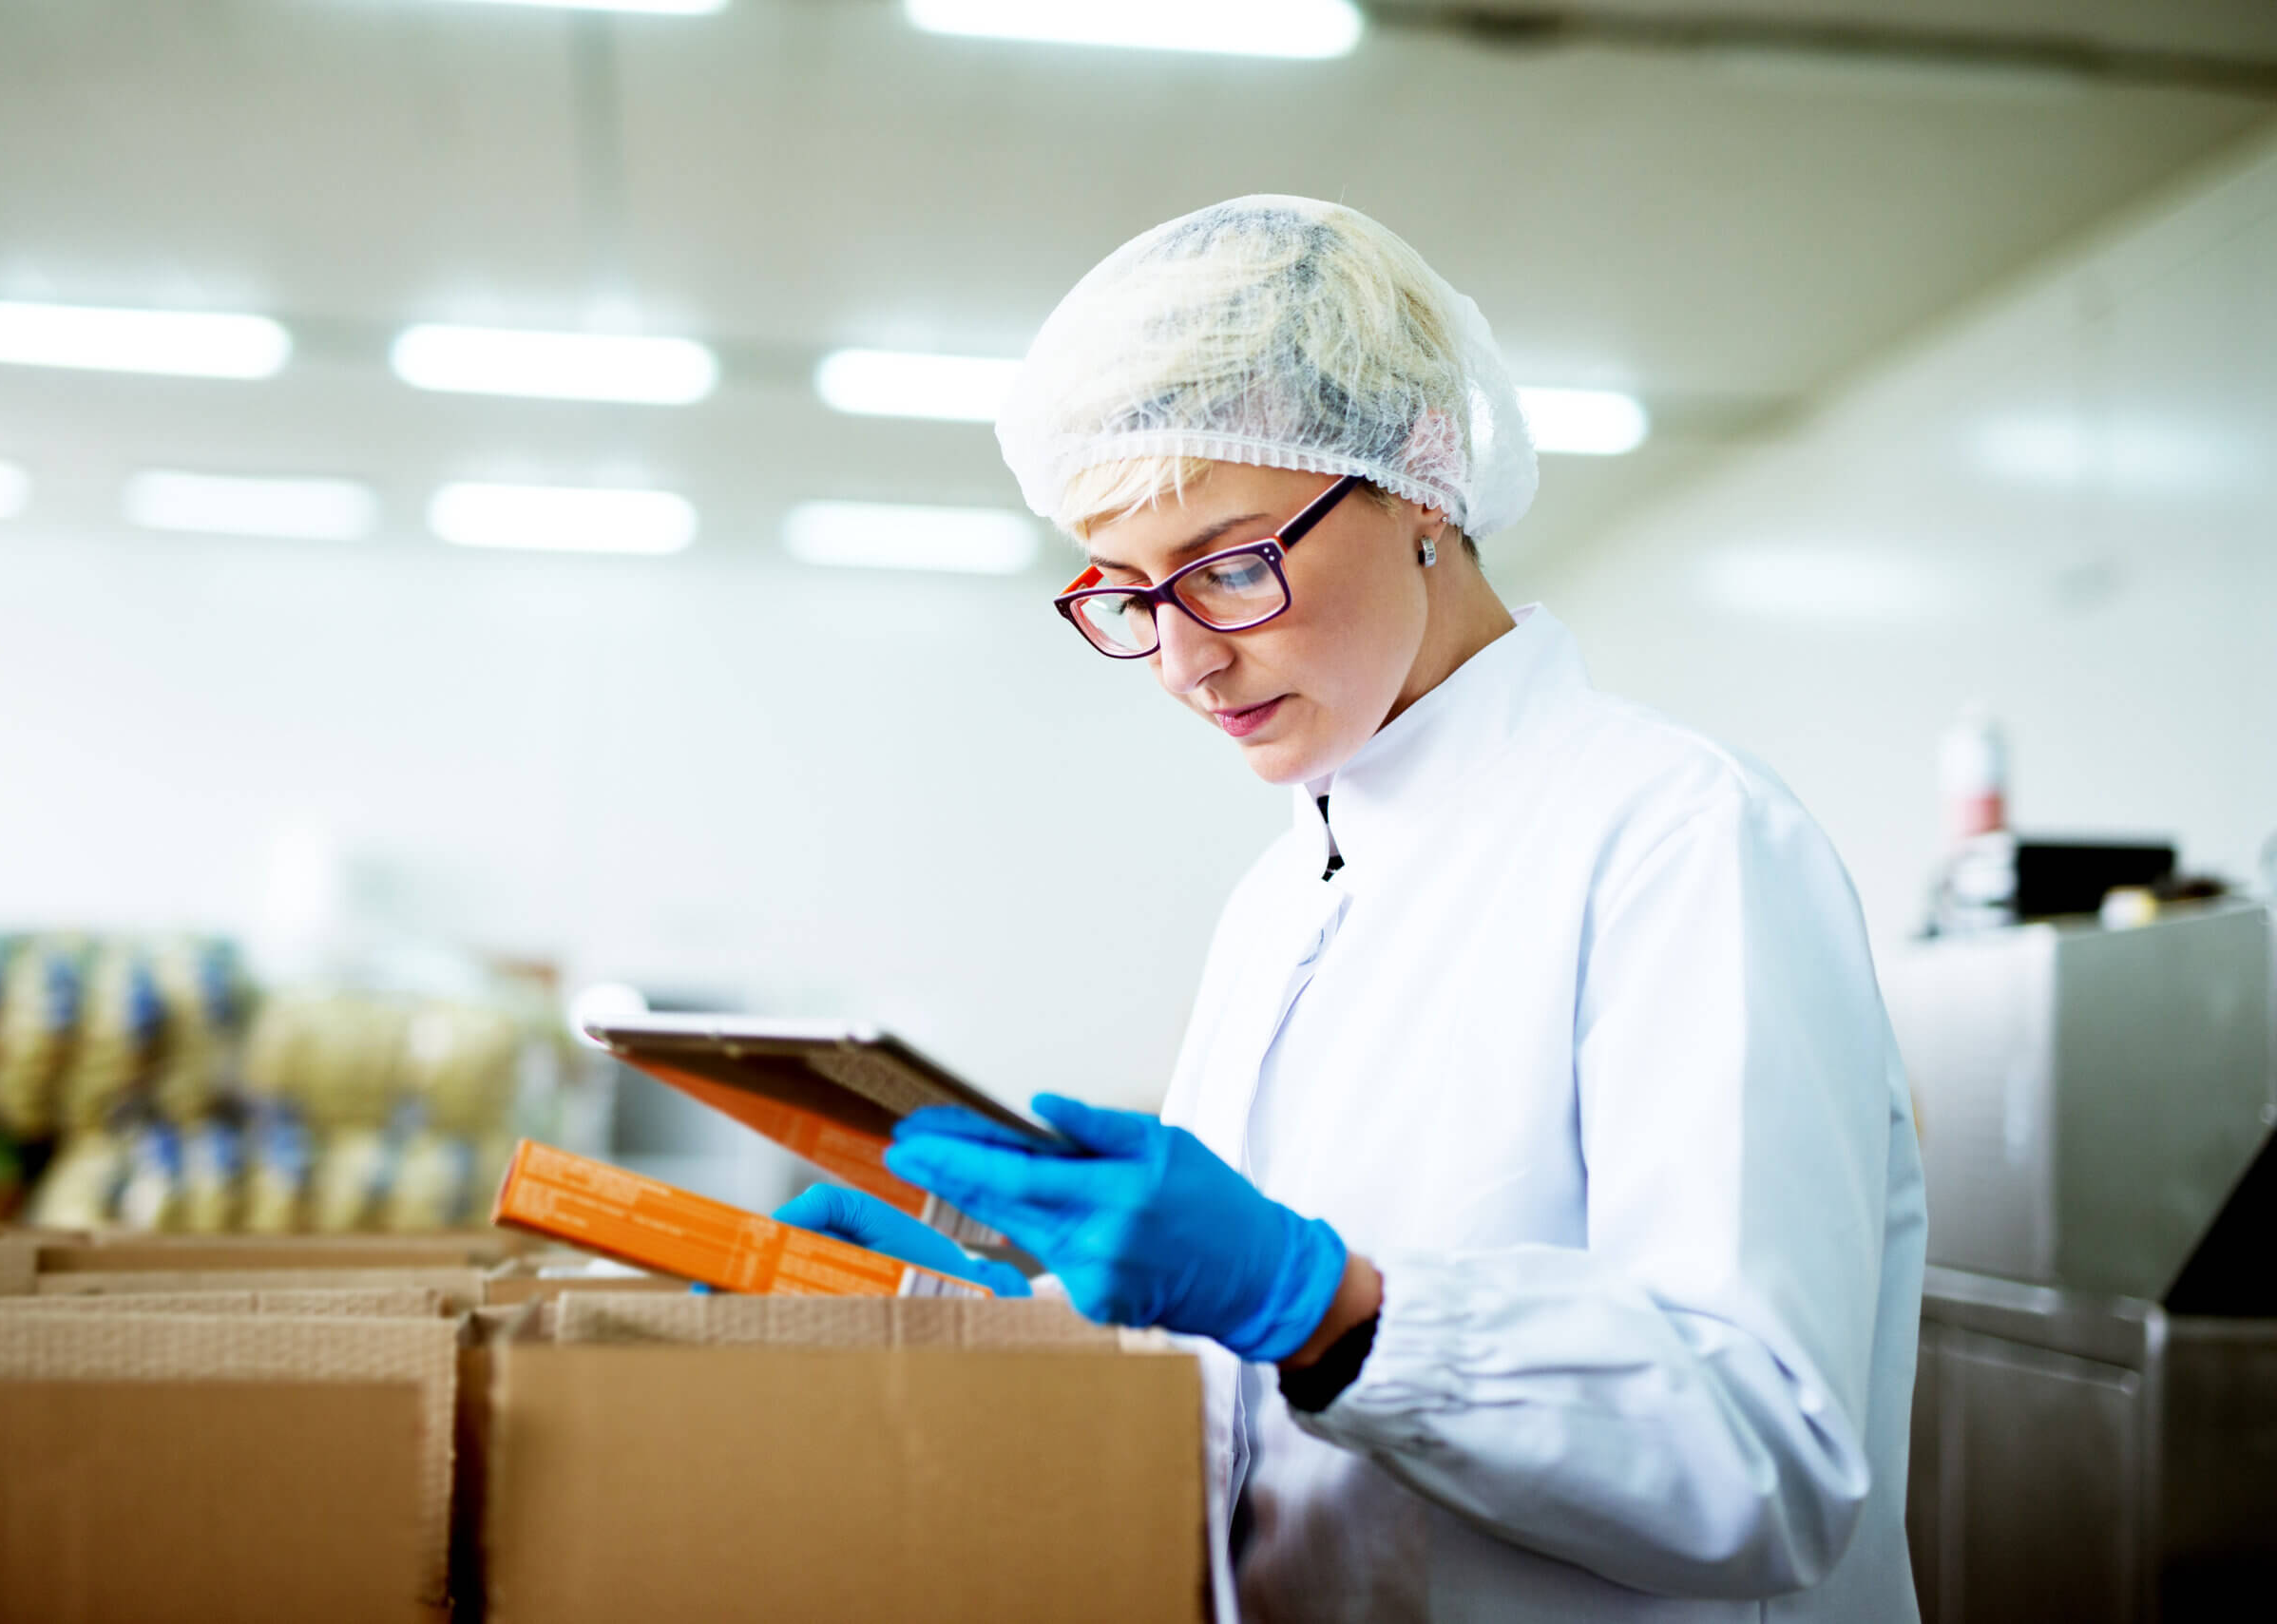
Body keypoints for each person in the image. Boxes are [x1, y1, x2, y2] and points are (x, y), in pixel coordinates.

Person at [775, 196, 1926, 1623]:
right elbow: (1257, 1417)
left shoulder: (1681, 840)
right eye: (1130, 594)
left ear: (1424, 477)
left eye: (1232, 565)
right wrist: (1011, 1321)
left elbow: (1768, 1459)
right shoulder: (1284, 898)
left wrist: (1327, 1304)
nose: (1183, 661)